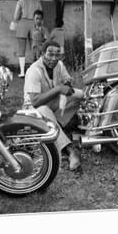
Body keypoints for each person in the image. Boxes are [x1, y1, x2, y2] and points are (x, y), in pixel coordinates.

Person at [24, 40, 82, 171]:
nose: (54, 58)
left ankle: (58, 124)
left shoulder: (59, 65)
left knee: (80, 95)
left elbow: (67, 80)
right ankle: (69, 149)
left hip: (52, 102)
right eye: (50, 54)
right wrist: (58, 90)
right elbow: (35, 101)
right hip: (32, 109)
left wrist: (67, 85)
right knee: (43, 110)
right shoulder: (34, 70)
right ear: (42, 53)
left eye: (57, 55)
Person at [11, 0, 42, 77]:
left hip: (22, 24)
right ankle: (36, 70)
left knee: (21, 48)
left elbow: (16, 17)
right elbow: (40, 15)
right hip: (34, 24)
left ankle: (22, 72)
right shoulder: (37, 1)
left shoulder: (20, 1)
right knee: (35, 47)